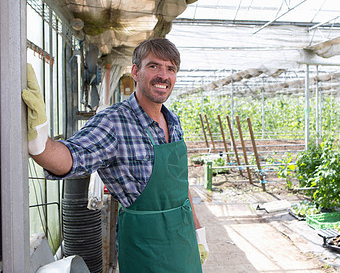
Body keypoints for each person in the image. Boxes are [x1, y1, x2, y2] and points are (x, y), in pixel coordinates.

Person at [22, 38, 209, 272]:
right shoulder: (114, 122)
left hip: (184, 242)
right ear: (135, 72)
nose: (163, 75)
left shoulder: (173, 121)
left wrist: (198, 230)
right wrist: (40, 143)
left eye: (170, 69)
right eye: (154, 66)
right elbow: (71, 157)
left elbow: (180, 186)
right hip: (146, 250)